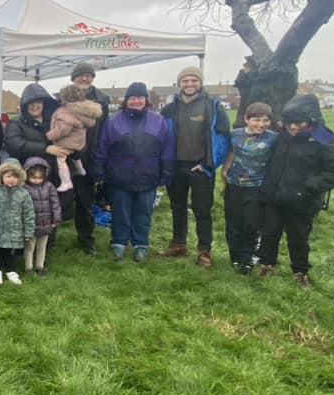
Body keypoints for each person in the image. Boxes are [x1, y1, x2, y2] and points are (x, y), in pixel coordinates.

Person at [256, 95, 334, 288]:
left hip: (302, 200)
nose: (292, 127)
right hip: (273, 195)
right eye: (289, 123)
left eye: (298, 123)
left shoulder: (324, 139)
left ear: (312, 120)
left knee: (298, 238)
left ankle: (300, 272)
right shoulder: (279, 135)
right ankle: (266, 264)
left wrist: (312, 185)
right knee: (269, 233)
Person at [93, 82, 174, 262]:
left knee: (143, 212)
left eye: (139, 97)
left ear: (146, 99)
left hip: (148, 175)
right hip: (119, 176)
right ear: (126, 100)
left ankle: (140, 244)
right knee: (120, 211)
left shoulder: (158, 121)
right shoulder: (113, 121)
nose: (136, 101)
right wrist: (99, 171)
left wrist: (166, 173)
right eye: (132, 98)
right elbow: (103, 147)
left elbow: (167, 149)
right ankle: (119, 243)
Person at [158, 65, 230, 268]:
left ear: (200, 82)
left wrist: (209, 164)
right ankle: (178, 244)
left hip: (201, 167)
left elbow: (223, 138)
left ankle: (204, 251)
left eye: (194, 80)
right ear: (178, 83)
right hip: (176, 166)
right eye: (185, 81)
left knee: (202, 211)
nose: (189, 84)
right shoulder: (170, 108)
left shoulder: (213, 106)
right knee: (177, 207)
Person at [62, 63, 111, 255]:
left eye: (88, 75)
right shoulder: (62, 99)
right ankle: (49, 238)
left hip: (88, 158)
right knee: (61, 200)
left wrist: (99, 158)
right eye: (80, 75)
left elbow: (104, 133)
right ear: (73, 78)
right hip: (65, 157)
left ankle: (86, 239)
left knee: (86, 202)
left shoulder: (102, 102)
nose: (84, 79)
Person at [222, 102, 276, 274]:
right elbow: (230, 153)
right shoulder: (234, 135)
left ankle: (248, 258)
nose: (261, 124)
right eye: (256, 120)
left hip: (257, 187)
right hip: (234, 185)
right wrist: (225, 170)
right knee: (233, 224)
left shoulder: (273, 138)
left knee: (251, 225)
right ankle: (235, 257)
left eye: (265, 121)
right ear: (246, 119)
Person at [0, 159, 35, 285]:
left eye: (15, 176)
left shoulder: (24, 194)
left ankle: (11, 270)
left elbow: (29, 214)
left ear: (20, 178)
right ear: (1, 176)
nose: (11, 179)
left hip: (14, 232)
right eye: (8, 176)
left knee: (12, 254)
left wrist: (28, 233)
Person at [46, 84, 104, 193]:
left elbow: (63, 129)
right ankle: (80, 169)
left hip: (67, 142)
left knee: (61, 159)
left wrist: (50, 135)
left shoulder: (66, 111)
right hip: (79, 143)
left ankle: (66, 181)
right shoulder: (83, 110)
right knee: (75, 156)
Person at [4, 83, 60, 187]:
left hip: (56, 175)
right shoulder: (15, 123)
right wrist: (45, 148)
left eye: (38, 102)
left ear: (44, 103)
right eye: (30, 103)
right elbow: (14, 145)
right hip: (30, 176)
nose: (35, 106)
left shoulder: (55, 120)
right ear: (24, 105)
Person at [21, 157, 62, 275]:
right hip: (31, 225)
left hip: (46, 224)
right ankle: (28, 267)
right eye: (34, 178)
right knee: (29, 247)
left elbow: (55, 204)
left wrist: (56, 220)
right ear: (27, 175)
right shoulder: (24, 188)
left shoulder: (49, 186)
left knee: (42, 247)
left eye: (40, 178)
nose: (37, 180)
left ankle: (40, 266)